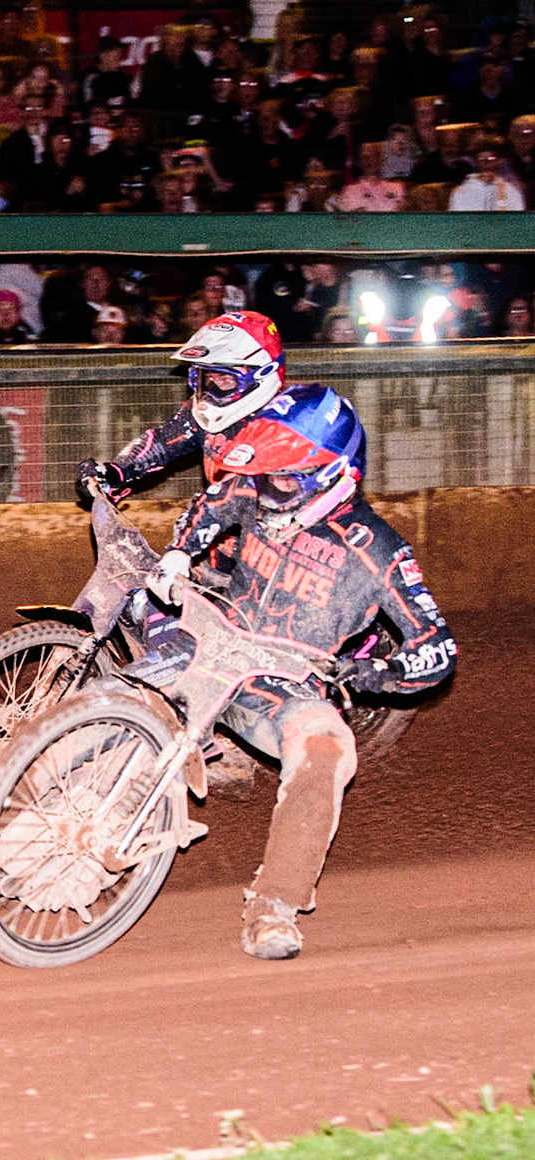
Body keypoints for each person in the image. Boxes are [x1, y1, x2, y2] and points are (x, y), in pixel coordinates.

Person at [155, 385, 455, 959]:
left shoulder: (378, 551)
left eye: (284, 479)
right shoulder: (256, 487)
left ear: (331, 473)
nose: (266, 489)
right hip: (216, 651)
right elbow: (211, 504)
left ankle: (274, 906)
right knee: (122, 695)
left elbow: (437, 646)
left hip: (289, 689)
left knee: (326, 748)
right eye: (264, 474)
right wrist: (178, 552)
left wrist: (375, 674)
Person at [76, 311, 288, 501]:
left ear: (263, 374)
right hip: (223, 527)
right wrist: (113, 472)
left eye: (226, 379)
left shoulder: (293, 423)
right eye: (207, 379)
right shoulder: (202, 417)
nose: (213, 391)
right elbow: (162, 442)